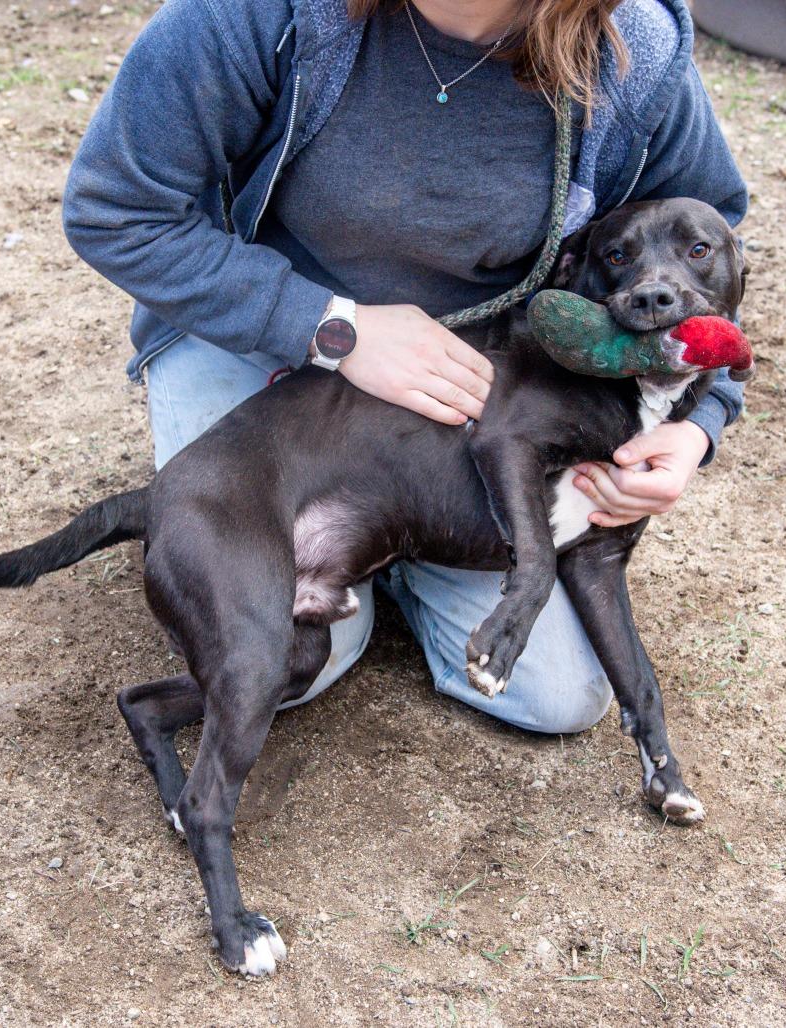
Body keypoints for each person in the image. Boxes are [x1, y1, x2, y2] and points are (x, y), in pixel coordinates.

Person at [61, 0, 747, 734]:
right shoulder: (255, 14)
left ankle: (407, 541)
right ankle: (334, 537)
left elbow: (714, 246)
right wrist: (333, 328)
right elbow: (114, 210)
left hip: (472, 386)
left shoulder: (630, 48)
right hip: (259, 344)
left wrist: (698, 426)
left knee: (554, 699)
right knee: (293, 656)